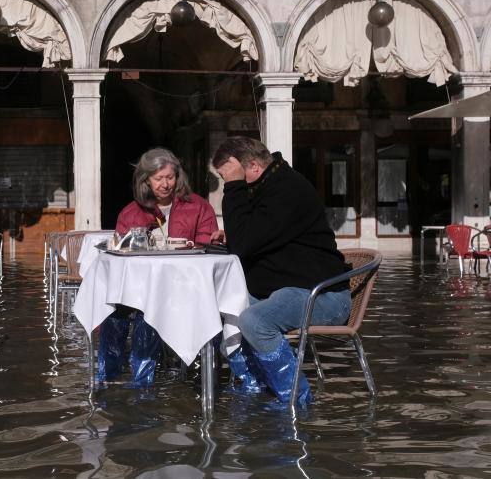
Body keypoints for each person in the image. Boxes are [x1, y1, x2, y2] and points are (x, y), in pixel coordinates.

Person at [211, 136, 350, 406]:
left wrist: (235, 187)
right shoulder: (269, 186)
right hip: (284, 290)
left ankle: (296, 396)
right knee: (220, 307)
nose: (226, 182)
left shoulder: (286, 189)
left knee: (255, 321)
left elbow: (243, 245)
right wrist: (234, 234)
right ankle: (256, 383)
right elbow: (252, 236)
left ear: (251, 167)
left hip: (322, 297)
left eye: (226, 175)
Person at [98, 147, 218, 388]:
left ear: (178, 176)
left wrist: (208, 240)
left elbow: (207, 245)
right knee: (112, 313)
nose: (165, 184)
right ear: (146, 180)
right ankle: (107, 379)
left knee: (148, 317)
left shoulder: (198, 206)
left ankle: (143, 383)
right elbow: (121, 254)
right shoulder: (131, 212)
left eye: (170, 177)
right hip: (142, 289)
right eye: (158, 178)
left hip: (186, 285)